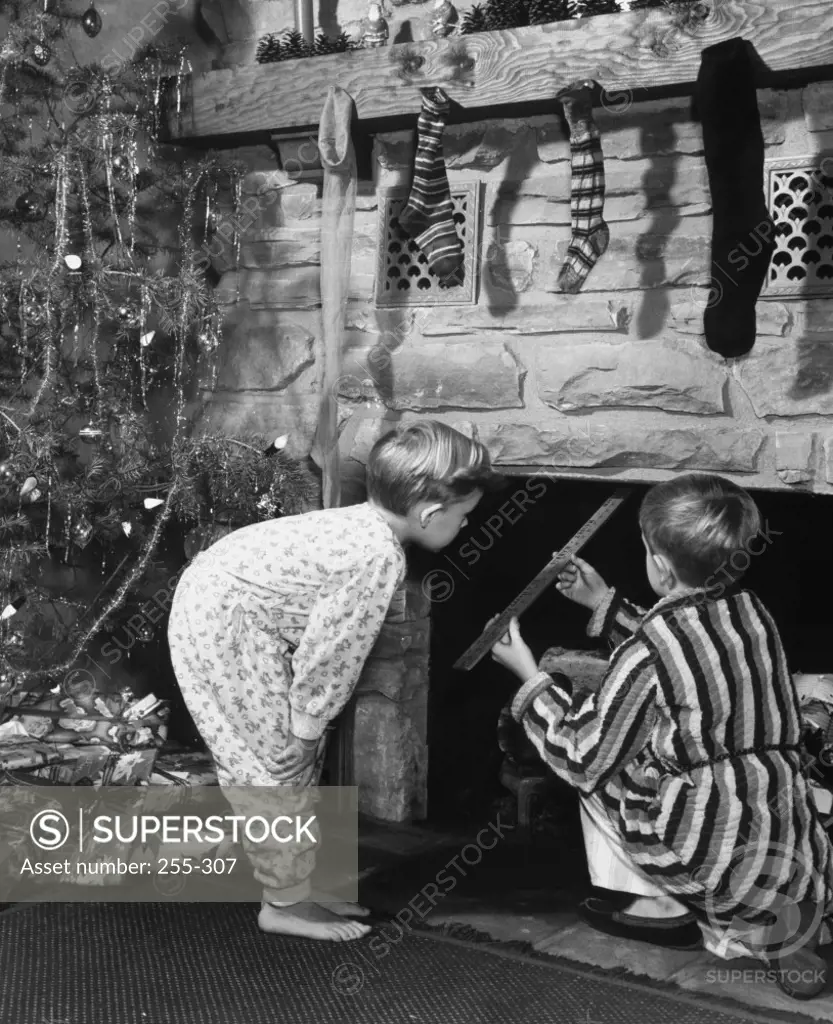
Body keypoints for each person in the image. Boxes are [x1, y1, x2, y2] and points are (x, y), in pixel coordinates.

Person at [490, 473, 833, 1000]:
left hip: (703, 838)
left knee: (594, 758)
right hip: (781, 815)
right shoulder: (752, 613)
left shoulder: (648, 649)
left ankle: (660, 907)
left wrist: (530, 677)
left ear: (660, 564)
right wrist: (603, 601)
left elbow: (585, 753)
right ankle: (780, 913)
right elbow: (688, 656)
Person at [168, 420, 499, 942]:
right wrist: (305, 727)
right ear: (430, 514)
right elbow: (332, 654)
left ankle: (297, 887)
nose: (463, 528)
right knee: (274, 763)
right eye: (463, 518)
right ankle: (282, 906)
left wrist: (308, 729)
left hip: (231, 607)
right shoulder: (377, 558)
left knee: (295, 756)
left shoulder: (364, 525)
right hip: (222, 621)